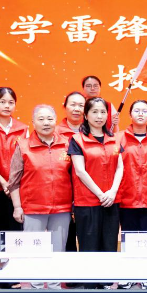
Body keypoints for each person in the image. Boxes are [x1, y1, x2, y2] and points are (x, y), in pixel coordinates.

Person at [8, 105, 73, 290]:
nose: (46, 123)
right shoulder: (23, 145)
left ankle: (54, 286)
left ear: (56, 121)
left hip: (61, 207)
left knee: (58, 249)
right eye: (41, 119)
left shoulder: (67, 144)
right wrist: (17, 207)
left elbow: (74, 176)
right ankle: (36, 286)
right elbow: (14, 180)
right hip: (33, 207)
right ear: (33, 122)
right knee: (33, 249)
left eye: (50, 119)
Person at [69, 97, 124, 289]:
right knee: (89, 246)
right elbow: (80, 171)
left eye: (102, 112)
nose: (99, 116)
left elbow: (120, 167)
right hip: (87, 203)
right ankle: (90, 287)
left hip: (111, 201)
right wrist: (101, 194)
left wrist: (113, 192)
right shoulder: (77, 140)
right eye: (94, 112)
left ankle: (106, 284)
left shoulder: (113, 138)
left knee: (109, 244)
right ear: (86, 115)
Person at [0, 87, 27, 289]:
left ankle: (12, 276)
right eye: (2, 102)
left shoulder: (23, 128)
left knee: (14, 235)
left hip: (16, 191)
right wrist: (4, 182)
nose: (7, 106)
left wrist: (13, 184)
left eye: (11, 102)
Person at [117, 100, 147, 290]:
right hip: (126, 195)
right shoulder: (119, 138)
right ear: (130, 114)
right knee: (128, 236)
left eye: (144, 111)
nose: (140, 114)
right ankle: (128, 274)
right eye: (136, 110)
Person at [55, 91, 86, 258]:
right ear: (65, 107)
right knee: (66, 238)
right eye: (73, 104)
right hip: (62, 190)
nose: (77, 109)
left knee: (87, 236)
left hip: (87, 191)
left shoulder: (92, 130)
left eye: (81, 105)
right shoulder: (55, 131)